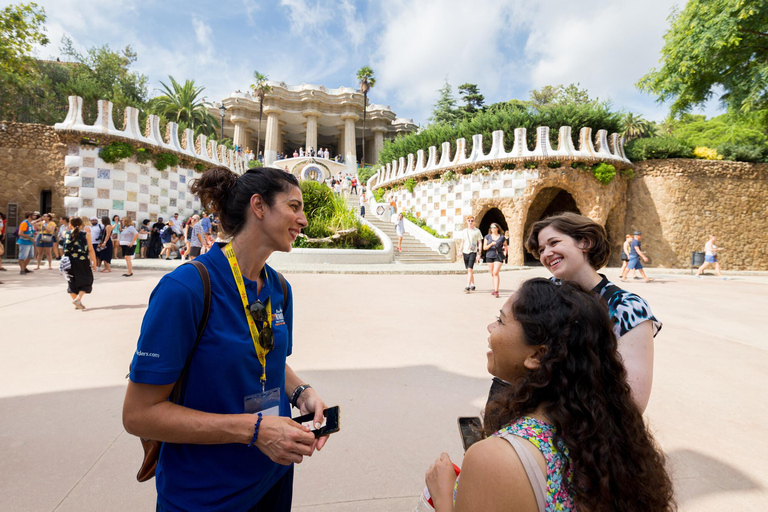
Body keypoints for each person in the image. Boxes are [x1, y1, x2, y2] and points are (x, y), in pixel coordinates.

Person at [123, 166, 330, 511]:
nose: (303, 219)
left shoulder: (279, 288)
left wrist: (301, 393)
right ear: (259, 206)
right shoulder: (186, 289)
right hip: (205, 495)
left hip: (272, 478)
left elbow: (269, 358)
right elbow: (138, 415)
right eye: (294, 207)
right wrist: (255, 429)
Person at [423, 279, 674, 512]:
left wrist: (443, 494)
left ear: (537, 355)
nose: (490, 327)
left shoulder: (495, 458)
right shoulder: (607, 433)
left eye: (500, 320)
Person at [525, 212, 661, 412]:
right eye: (542, 249)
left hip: (588, 423)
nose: (546, 254)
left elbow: (633, 402)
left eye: (554, 243)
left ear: (585, 242)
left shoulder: (628, 307)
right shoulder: (545, 294)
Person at [62, 217, 97, 310]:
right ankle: (78, 299)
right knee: (87, 280)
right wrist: (94, 262)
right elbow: (90, 249)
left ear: (70, 225)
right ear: (82, 225)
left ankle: (77, 302)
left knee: (71, 282)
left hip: (68, 261)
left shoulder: (65, 233)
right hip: (82, 260)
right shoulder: (86, 235)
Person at [458, 216, 483, 293]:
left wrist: (479, 253)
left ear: (474, 221)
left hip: (473, 251)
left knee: (470, 269)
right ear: (467, 221)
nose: (470, 222)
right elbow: (462, 242)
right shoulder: (464, 231)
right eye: (469, 220)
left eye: (472, 220)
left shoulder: (477, 231)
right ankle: (473, 283)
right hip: (465, 251)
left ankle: (468, 286)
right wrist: (460, 251)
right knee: (469, 269)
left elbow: (480, 242)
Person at [483, 223, 507, 298]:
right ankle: (494, 289)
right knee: (492, 273)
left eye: (494, 227)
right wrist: (490, 244)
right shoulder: (487, 237)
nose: (492, 229)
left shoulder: (502, 237)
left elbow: (505, 245)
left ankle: (496, 291)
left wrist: (505, 253)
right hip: (489, 255)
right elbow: (484, 248)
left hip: (498, 255)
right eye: (491, 227)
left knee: (495, 272)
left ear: (497, 228)